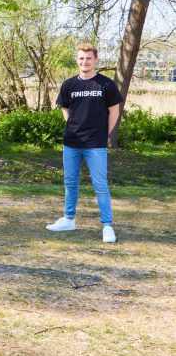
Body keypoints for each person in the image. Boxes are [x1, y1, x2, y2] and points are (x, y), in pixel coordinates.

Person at [46, 43, 123, 243]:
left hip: (95, 144)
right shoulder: (69, 84)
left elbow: (114, 111)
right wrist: (73, 123)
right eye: (81, 58)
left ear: (95, 60)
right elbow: (65, 107)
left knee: (100, 185)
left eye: (88, 58)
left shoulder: (105, 85)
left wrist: (105, 134)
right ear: (77, 60)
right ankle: (68, 219)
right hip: (71, 142)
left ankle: (107, 226)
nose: (84, 61)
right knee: (70, 183)